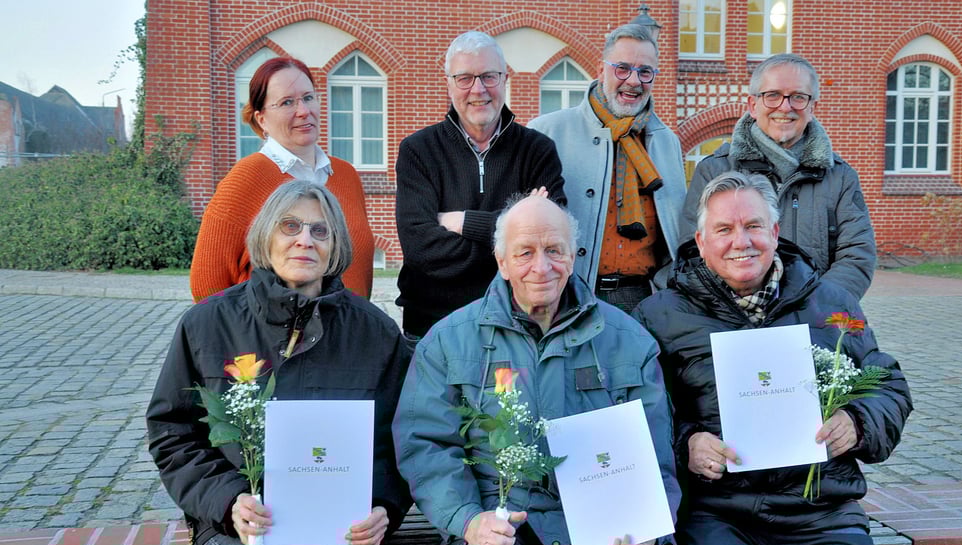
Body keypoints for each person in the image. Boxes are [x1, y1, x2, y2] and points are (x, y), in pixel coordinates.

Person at [633, 171, 911, 545]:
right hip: (716, 512)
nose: (740, 242)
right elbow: (642, 412)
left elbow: (887, 384)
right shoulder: (660, 315)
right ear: (701, 241)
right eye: (724, 229)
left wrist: (858, 422)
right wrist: (687, 444)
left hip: (819, 508)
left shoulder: (829, 303)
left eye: (753, 226)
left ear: (775, 231)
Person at [393, 195, 680, 545]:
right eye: (524, 252)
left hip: (604, 525)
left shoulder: (627, 340)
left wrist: (648, 530)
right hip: (497, 523)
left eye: (554, 250)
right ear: (502, 263)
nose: (541, 267)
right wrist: (467, 520)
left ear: (573, 256)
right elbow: (425, 444)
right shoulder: (448, 341)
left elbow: (654, 448)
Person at [148, 181, 412, 545]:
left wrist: (383, 506)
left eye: (320, 231)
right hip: (239, 521)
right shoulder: (207, 325)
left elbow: (405, 435)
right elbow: (172, 433)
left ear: (335, 246)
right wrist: (227, 501)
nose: (305, 240)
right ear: (265, 236)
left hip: (341, 522)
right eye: (290, 226)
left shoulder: (375, 332)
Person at [395, 30, 566, 338]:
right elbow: (420, 249)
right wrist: (515, 241)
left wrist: (463, 222)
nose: (478, 89)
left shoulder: (538, 150)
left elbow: (552, 239)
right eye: (465, 78)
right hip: (432, 327)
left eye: (489, 76)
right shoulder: (418, 151)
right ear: (449, 83)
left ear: (504, 79)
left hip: (516, 327)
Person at [682, 54, 876, 300]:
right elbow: (691, 251)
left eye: (798, 97)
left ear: (812, 107)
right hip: (734, 321)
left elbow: (856, 255)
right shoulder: (714, 171)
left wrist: (814, 306)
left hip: (814, 320)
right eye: (772, 95)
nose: (785, 107)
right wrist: (742, 309)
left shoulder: (839, 177)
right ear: (753, 105)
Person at [529, 23, 686, 313]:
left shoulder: (667, 142)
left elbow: (678, 233)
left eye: (645, 71)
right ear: (601, 71)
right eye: (622, 68)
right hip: (571, 295)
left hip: (648, 298)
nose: (634, 81)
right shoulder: (547, 133)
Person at [190, 56, 374, 303]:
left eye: (308, 98)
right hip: (273, 338)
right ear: (261, 118)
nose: (303, 111)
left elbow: (359, 272)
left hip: (346, 333)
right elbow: (206, 284)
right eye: (287, 102)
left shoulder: (346, 175)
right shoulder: (246, 178)